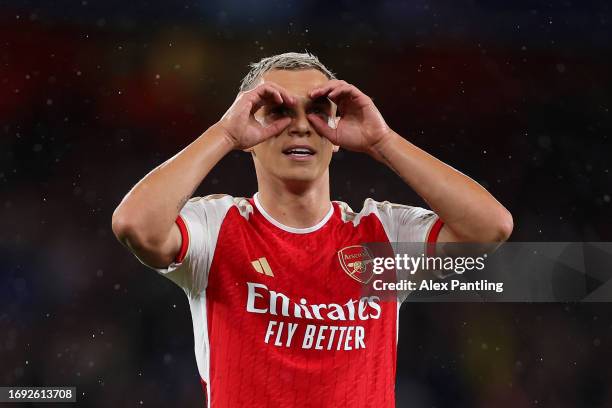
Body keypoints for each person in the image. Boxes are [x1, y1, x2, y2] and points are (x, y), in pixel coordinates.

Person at [112, 52, 512, 407]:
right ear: (249, 131)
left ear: (337, 136)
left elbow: (491, 227)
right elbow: (136, 225)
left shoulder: (381, 234)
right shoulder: (216, 229)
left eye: (318, 110)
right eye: (277, 110)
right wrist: (225, 134)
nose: (301, 126)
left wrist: (383, 141)